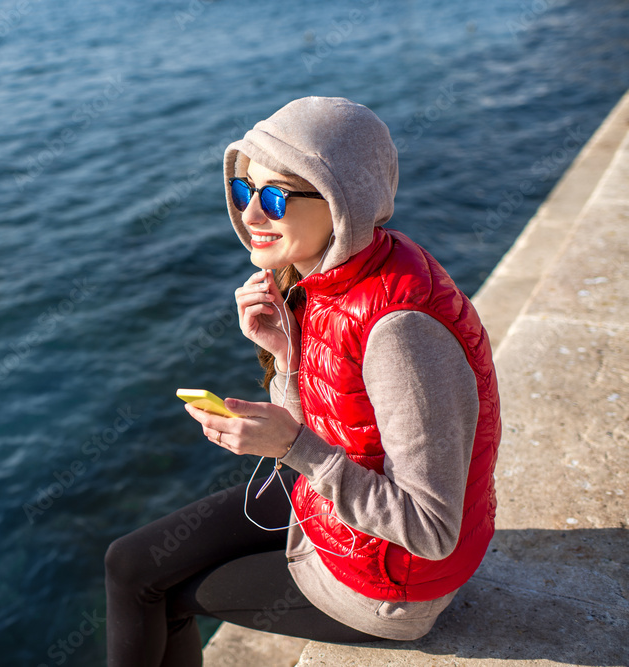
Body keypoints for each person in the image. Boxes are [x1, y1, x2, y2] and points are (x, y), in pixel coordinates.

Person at [104, 96, 501, 666]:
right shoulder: (339, 274)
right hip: (334, 520)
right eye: (245, 191)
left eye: (275, 197)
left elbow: (431, 527)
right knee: (127, 561)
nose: (250, 216)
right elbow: (335, 418)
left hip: (388, 585)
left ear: (344, 201)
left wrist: (293, 448)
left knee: (156, 593)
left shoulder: (401, 332)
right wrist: (284, 352)